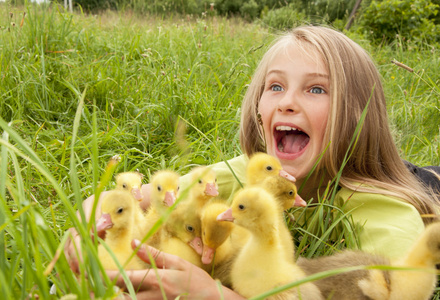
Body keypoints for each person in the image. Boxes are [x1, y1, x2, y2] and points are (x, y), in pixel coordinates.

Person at [65, 25, 440, 299]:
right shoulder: (251, 173)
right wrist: (91, 228)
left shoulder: (385, 210)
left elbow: (399, 290)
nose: (286, 102)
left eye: (316, 89)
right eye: (275, 86)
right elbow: (130, 199)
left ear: (360, 115)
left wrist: (215, 295)